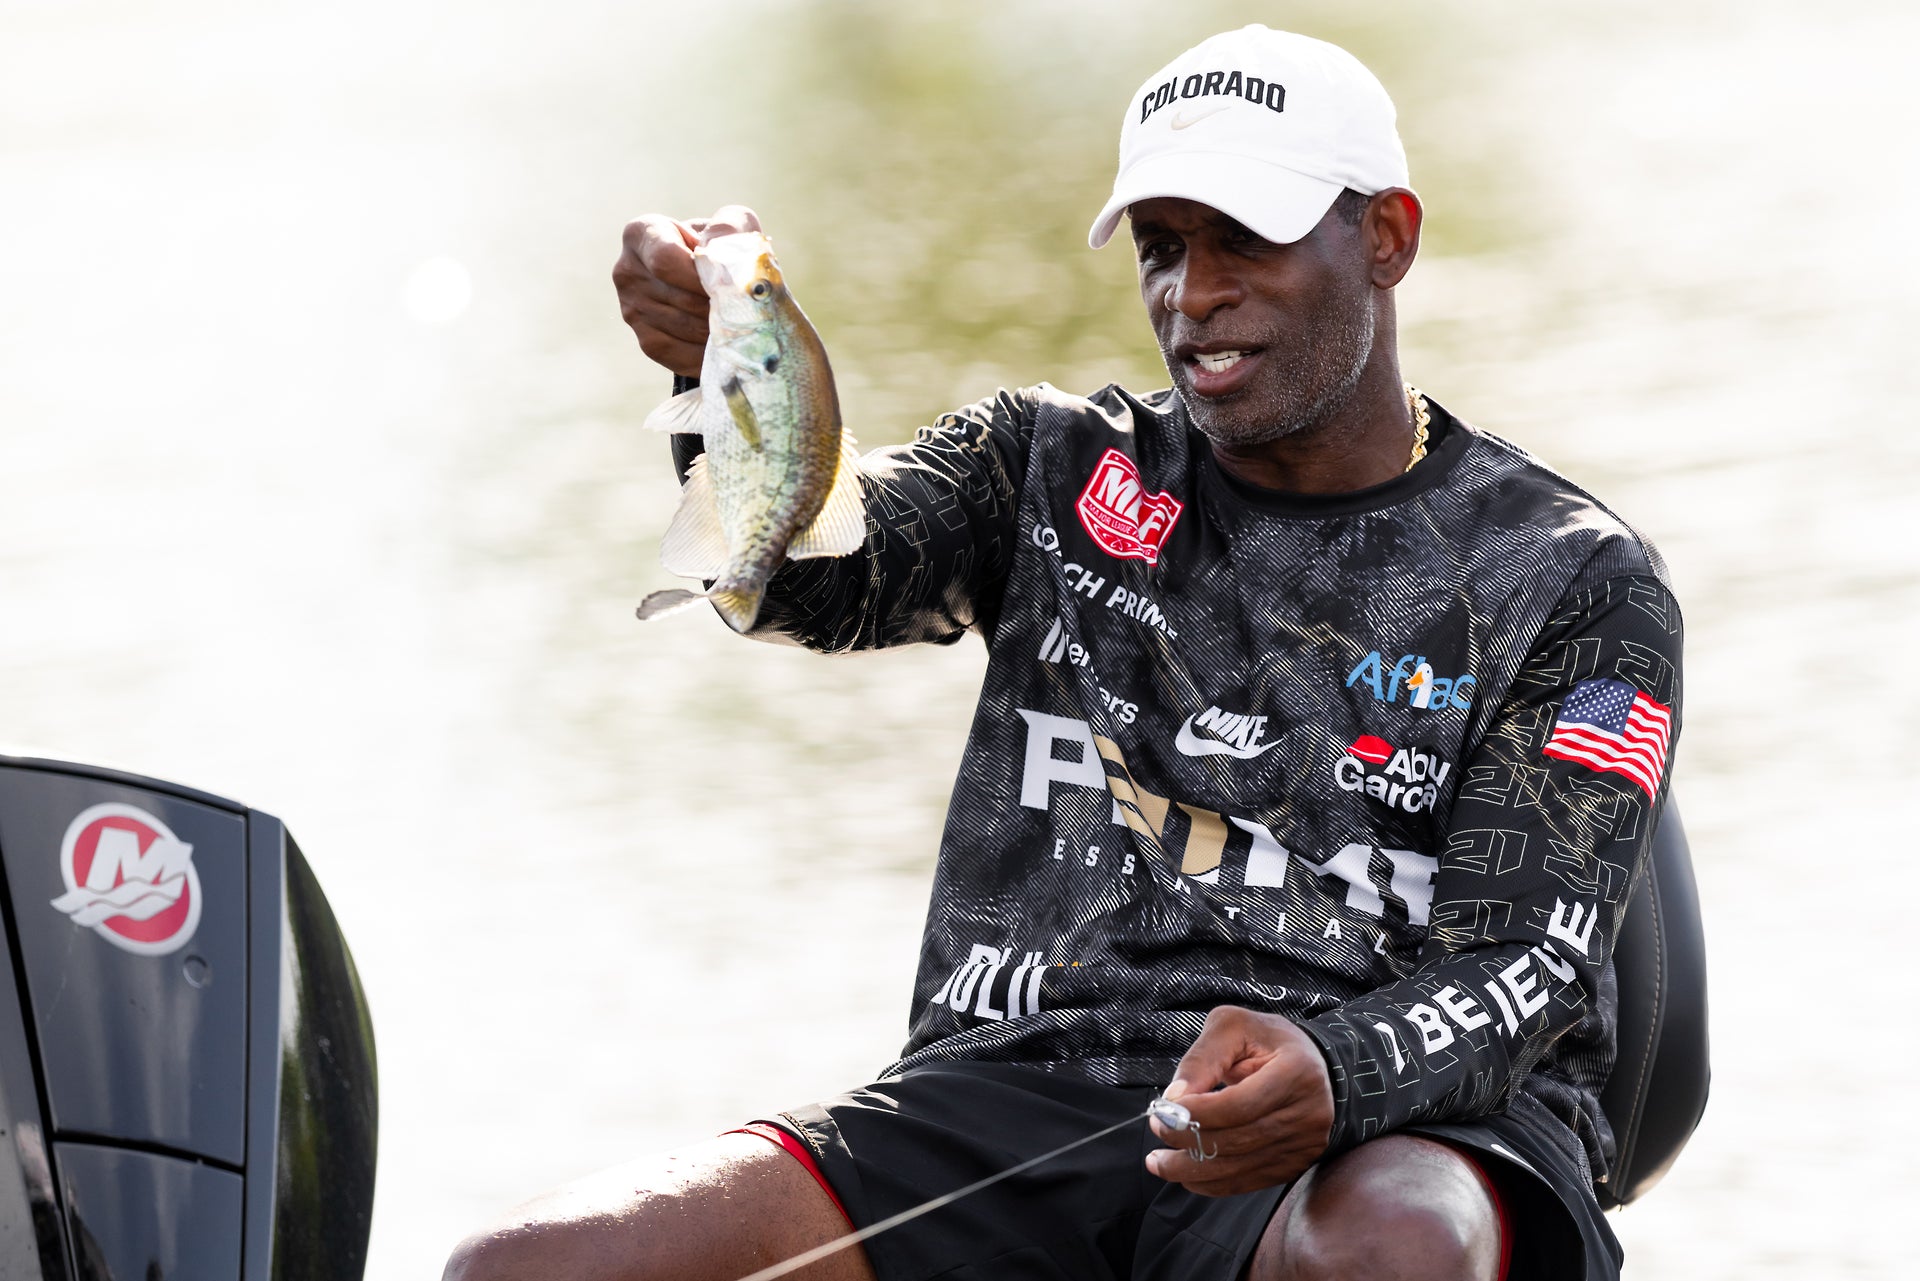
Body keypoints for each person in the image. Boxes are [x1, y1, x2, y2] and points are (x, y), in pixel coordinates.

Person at [446, 25, 1681, 1281]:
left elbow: (1532, 965)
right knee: (523, 1268)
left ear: (1388, 237)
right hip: (1024, 1089)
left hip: (1396, 1121)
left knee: (1395, 1246)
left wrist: (1337, 1071)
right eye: (1161, 247)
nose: (1192, 294)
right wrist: (728, 374)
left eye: (1242, 240)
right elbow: (817, 580)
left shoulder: (1573, 574)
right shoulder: (1047, 464)